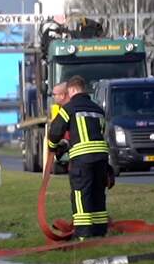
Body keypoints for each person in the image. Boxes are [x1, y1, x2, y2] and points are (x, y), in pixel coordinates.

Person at [46, 76, 111, 239]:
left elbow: (55, 131)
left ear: (73, 90)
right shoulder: (98, 110)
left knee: (81, 194)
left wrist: (53, 148)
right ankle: (100, 231)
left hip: (82, 160)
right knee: (97, 193)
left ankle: (83, 235)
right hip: (101, 158)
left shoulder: (69, 109)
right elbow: (99, 134)